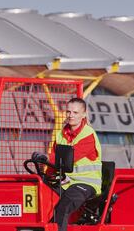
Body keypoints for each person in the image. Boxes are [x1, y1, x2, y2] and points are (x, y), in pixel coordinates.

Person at [48, 98, 102, 231]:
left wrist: (47, 158)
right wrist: (47, 176)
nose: (71, 115)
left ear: (84, 114)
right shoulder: (60, 134)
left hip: (86, 184)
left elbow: (68, 159)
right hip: (66, 182)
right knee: (43, 198)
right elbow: (54, 161)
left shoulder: (88, 134)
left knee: (63, 206)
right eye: (68, 111)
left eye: (75, 112)